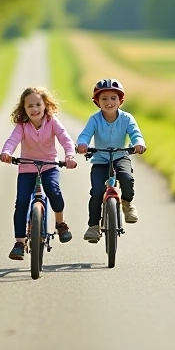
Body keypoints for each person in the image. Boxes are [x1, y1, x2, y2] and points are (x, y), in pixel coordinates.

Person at [0, 86, 78, 260]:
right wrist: (7, 152)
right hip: (27, 168)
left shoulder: (52, 122)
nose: (34, 109)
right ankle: (19, 242)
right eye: (30, 106)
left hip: (49, 166)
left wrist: (69, 155)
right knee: (21, 202)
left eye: (38, 105)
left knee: (54, 191)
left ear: (45, 105)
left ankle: (60, 223)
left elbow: (65, 139)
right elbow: (12, 140)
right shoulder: (22, 126)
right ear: (24, 109)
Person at [75, 78, 146, 243]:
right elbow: (85, 134)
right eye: (104, 98)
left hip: (121, 156)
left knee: (127, 179)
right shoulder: (94, 119)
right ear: (97, 102)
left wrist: (138, 144)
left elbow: (136, 134)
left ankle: (127, 203)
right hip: (100, 159)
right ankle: (93, 226)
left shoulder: (127, 118)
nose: (109, 102)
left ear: (120, 100)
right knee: (96, 191)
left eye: (113, 98)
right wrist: (82, 144)